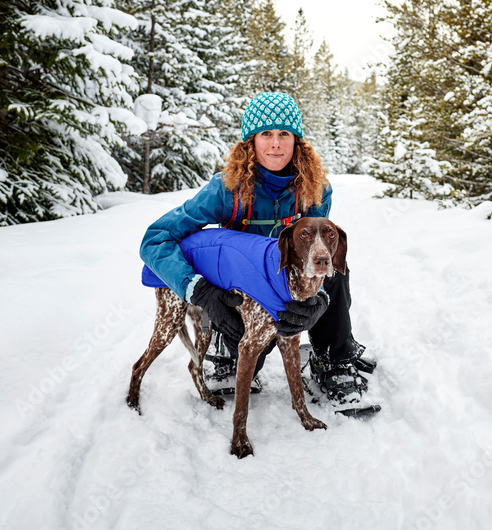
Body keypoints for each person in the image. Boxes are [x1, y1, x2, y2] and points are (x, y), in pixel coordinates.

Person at [140, 91, 373, 404]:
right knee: (248, 354)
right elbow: (156, 238)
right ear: (250, 142)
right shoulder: (226, 189)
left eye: (284, 134)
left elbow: (319, 253)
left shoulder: (315, 190)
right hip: (239, 294)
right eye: (265, 134)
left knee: (332, 268)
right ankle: (225, 352)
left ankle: (331, 359)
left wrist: (320, 299)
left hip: (287, 280)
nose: (275, 144)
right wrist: (200, 292)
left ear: (297, 142)